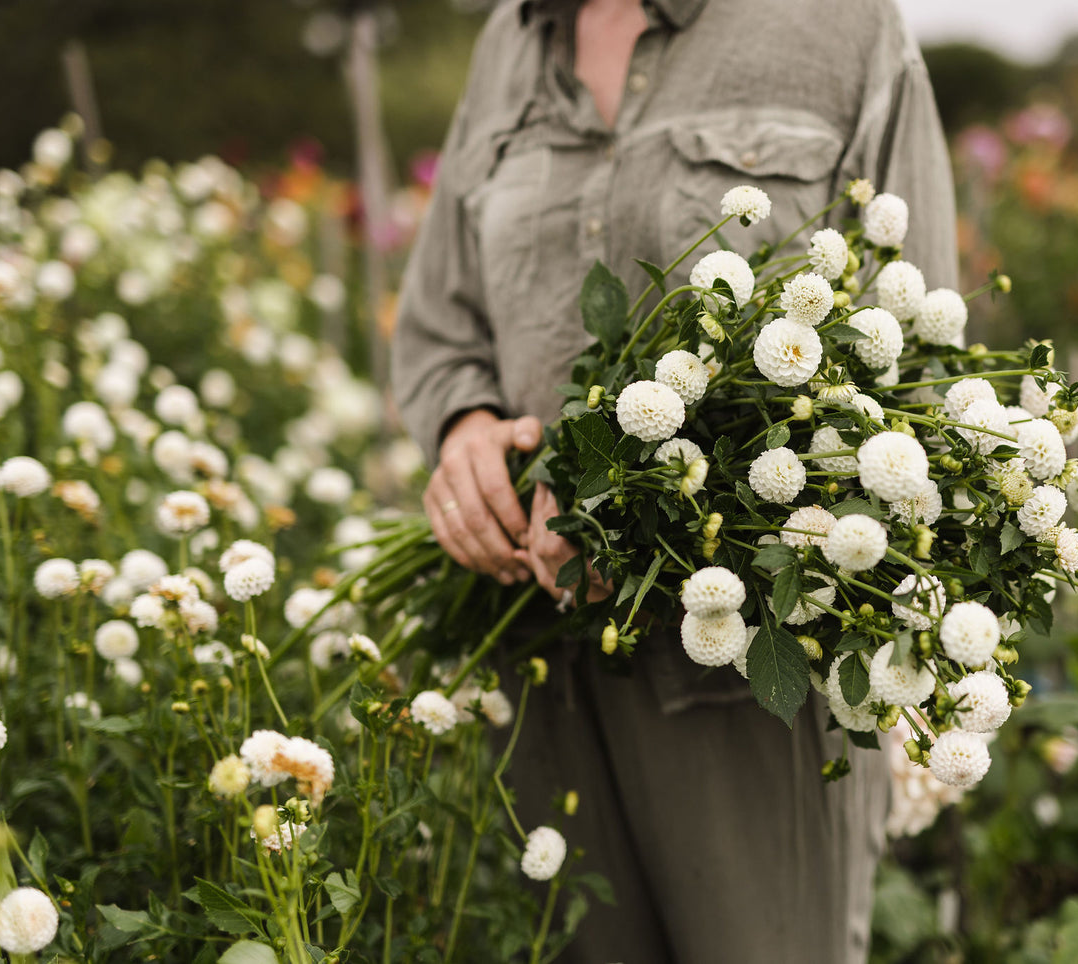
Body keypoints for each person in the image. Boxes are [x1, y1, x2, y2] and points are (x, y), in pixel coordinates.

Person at [392, 0, 957, 959]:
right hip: (532, 657)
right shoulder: (510, 40)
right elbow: (444, 333)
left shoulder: (841, 28)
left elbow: (914, 372)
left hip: (750, 675)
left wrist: (639, 502)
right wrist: (465, 430)